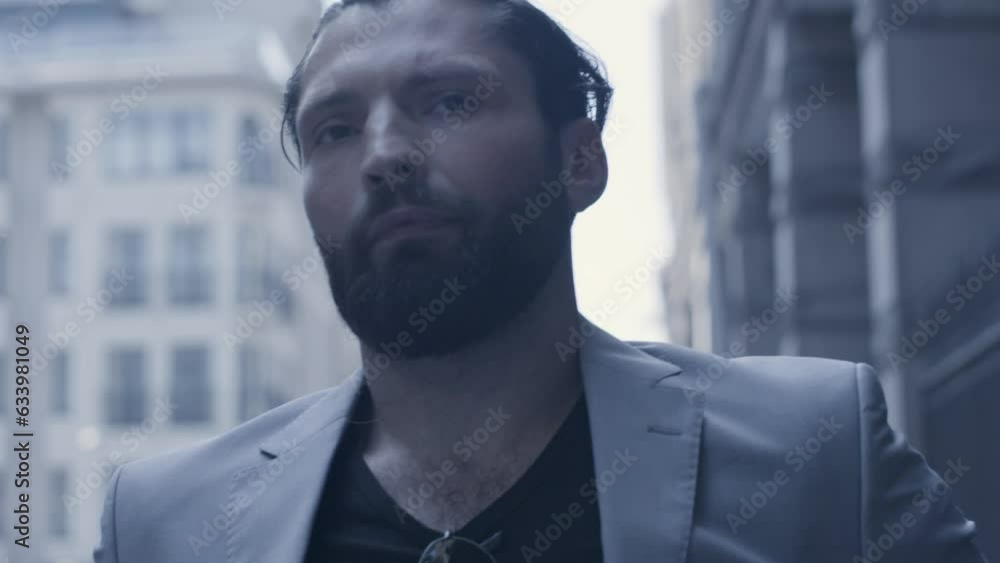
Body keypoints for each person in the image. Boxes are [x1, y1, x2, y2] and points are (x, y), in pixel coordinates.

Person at [93, 0, 988, 561]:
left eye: (449, 100)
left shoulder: (819, 452)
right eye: (334, 128)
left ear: (579, 159)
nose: (385, 156)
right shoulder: (165, 523)